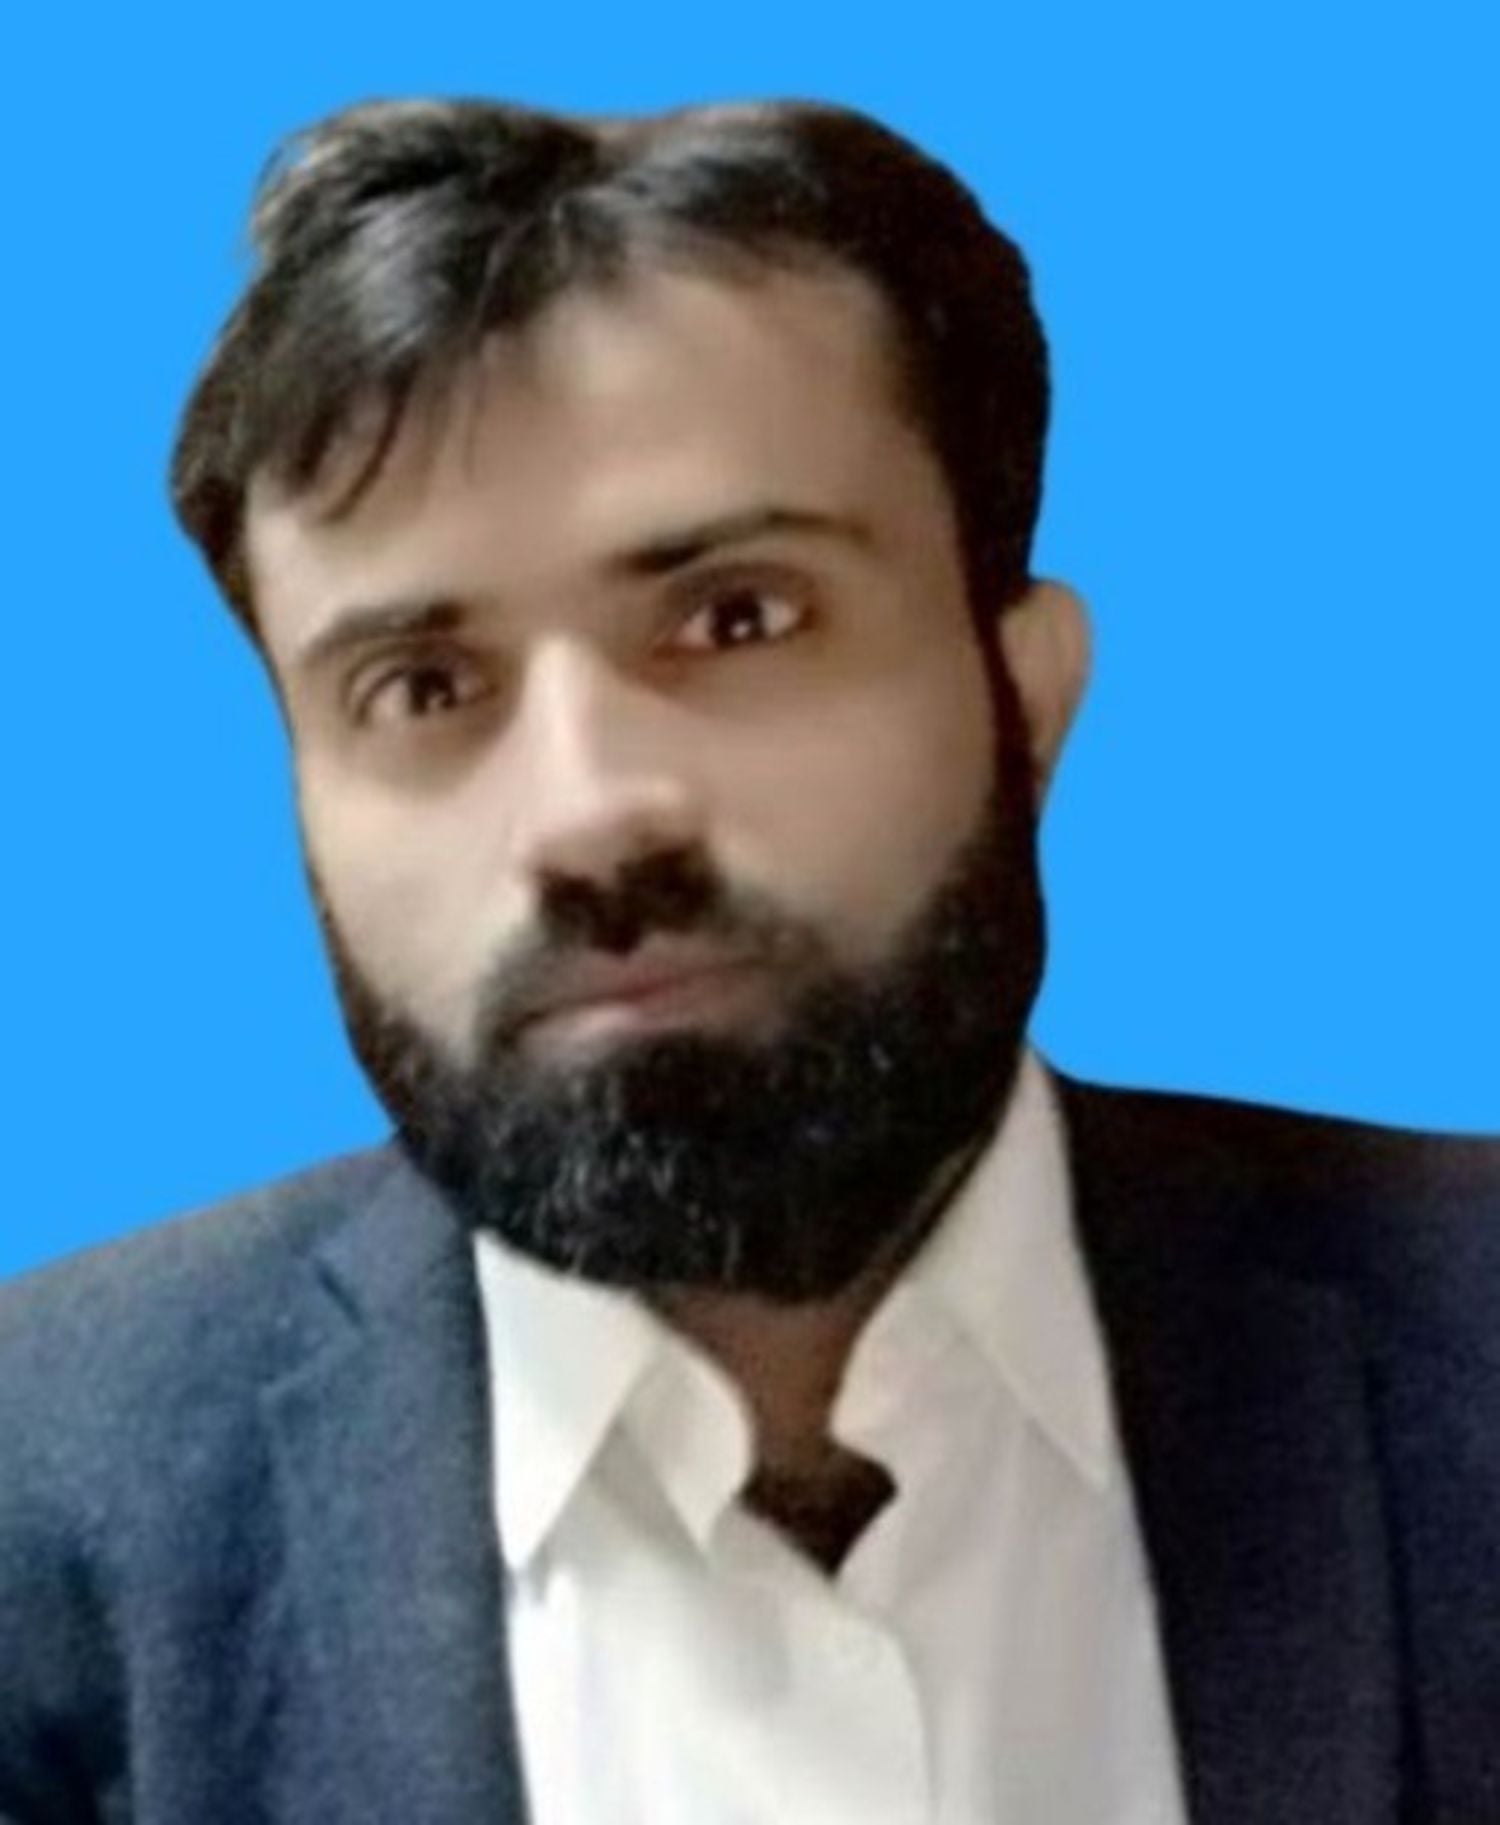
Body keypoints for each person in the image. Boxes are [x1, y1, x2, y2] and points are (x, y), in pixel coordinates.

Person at [0, 95, 1495, 1825]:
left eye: (735, 616)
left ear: (1025, 692)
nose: (587, 815)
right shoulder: (47, 1501)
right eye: (423, 686)